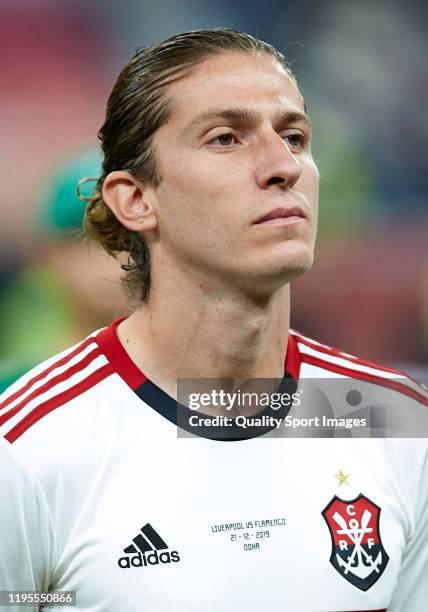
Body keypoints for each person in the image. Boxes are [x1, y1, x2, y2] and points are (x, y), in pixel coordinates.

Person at [0, 28, 427, 612]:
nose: (284, 166)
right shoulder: (26, 447)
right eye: (226, 138)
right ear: (135, 200)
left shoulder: (393, 421)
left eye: (296, 137)